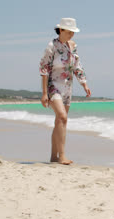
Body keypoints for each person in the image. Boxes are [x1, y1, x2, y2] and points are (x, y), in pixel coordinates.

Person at [39, 18, 91, 165]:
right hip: (53, 86)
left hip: (67, 88)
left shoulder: (73, 46)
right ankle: (62, 156)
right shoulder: (51, 46)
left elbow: (77, 66)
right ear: (60, 30)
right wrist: (44, 93)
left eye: (73, 32)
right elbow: (44, 69)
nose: (71, 35)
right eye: (69, 32)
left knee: (59, 121)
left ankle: (53, 157)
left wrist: (84, 84)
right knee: (62, 117)